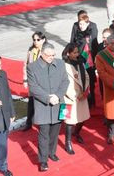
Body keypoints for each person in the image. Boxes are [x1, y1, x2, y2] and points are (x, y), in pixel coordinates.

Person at [27, 43, 69, 172]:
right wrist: (48, 97)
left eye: (53, 55)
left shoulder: (60, 63)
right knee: (44, 134)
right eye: (49, 55)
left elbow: (65, 81)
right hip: (42, 105)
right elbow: (33, 87)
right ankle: (43, 160)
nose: (52, 57)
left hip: (58, 103)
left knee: (55, 132)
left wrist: (58, 95)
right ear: (42, 54)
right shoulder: (32, 67)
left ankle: (52, 152)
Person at [61, 43, 90, 154]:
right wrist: (74, 95)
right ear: (68, 53)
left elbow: (86, 76)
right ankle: (67, 142)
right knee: (69, 121)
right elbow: (63, 83)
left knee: (82, 118)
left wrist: (84, 91)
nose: (77, 54)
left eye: (77, 52)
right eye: (75, 52)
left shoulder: (80, 63)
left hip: (82, 95)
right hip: (69, 97)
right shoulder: (63, 65)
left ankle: (76, 133)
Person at [70, 10, 98, 107]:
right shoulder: (75, 26)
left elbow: (94, 43)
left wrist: (95, 58)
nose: (80, 25)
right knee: (81, 80)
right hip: (79, 58)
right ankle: (85, 99)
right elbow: (72, 40)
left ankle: (92, 100)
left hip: (89, 58)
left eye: (82, 23)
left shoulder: (93, 26)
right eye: (79, 22)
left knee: (90, 79)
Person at [22, 31, 46, 131]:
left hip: (42, 82)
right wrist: (25, 79)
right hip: (32, 80)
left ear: (43, 40)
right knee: (31, 102)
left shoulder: (46, 50)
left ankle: (42, 124)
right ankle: (29, 123)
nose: (36, 41)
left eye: (38, 40)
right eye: (34, 40)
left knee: (41, 103)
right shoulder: (31, 50)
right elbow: (26, 65)